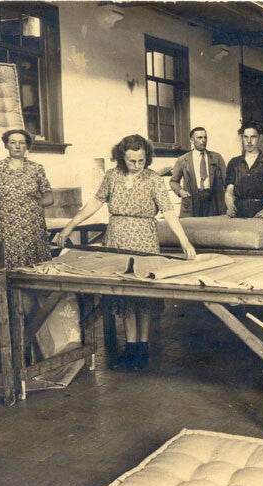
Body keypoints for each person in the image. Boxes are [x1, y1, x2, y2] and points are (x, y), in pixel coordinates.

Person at [56, 134, 196, 371]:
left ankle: (142, 347)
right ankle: (131, 348)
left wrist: (184, 241)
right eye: (132, 161)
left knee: (143, 294)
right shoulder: (112, 176)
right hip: (118, 239)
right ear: (122, 157)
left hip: (144, 240)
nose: (137, 165)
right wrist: (70, 225)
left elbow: (168, 211)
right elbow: (94, 204)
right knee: (124, 294)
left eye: (141, 160)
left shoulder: (153, 179)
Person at [0, 129, 53, 269]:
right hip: (4, 227)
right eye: (13, 142)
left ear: (27, 146)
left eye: (22, 143)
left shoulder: (36, 168)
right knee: (7, 267)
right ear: (6, 145)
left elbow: (49, 198)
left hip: (32, 227)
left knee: (34, 268)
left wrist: (31, 203)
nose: (17, 146)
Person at [224, 121, 263, 218]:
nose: (249, 141)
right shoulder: (234, 163)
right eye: (245, 137)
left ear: (260, 138)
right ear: (242, 138)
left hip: (262, 213)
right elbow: (229, 191)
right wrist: (230, 205)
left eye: (253, 137)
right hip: (239, 214)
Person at [168, 126, 227, 217]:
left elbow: (226, 180)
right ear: (192, 140)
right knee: (193, 225)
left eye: (205, 137)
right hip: (193, 201)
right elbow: (173, 181)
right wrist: (180, 191)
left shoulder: (216, 157)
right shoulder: (183, 160)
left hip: (213, 202)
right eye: (199, 138)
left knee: (214, 224)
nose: (203, 140)